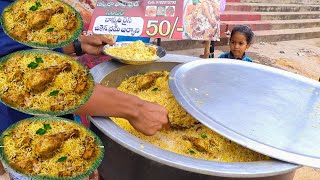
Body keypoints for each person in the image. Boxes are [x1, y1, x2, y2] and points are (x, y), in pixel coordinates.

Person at [0, 0, 169, 136]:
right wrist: (136, 109)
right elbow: (36, 85)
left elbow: (22, 42)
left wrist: (76, 45)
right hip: (26, 131)